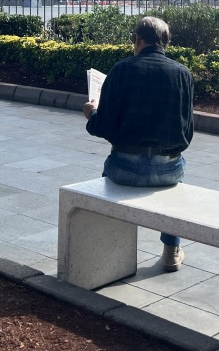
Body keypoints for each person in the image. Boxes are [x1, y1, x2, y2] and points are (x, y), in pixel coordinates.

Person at [83, 15, 194, 272]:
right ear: (165, 42)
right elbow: (187, 133)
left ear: (137, 39)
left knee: (107, 182)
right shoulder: (183, 74)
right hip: (168, 169)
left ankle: (110, 251)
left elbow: (103, 127)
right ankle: (171, 250)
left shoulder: (121, 69)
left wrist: (91, 114)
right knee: (175, 193)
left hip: (124, 167)